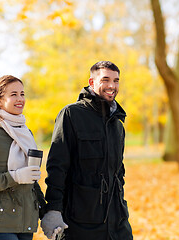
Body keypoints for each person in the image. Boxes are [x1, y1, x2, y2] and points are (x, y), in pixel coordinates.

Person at [40, 61, 133, 240]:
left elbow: (118, 171)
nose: (111, 86)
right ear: (91, 82)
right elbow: (57, 167)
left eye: (116, 81)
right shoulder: (71, 115)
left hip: (117, 221)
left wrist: (120, 206)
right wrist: (53, 209)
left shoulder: (117, 124)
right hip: (79, 221)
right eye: (105, 80)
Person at [0, 75, 45, 240]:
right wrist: (15, 176)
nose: (20, 99)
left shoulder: (26, 133)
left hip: (26, 221)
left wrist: (45, 214)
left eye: (22, 94)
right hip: (1, 221)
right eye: (14, 94)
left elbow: (31, 179)